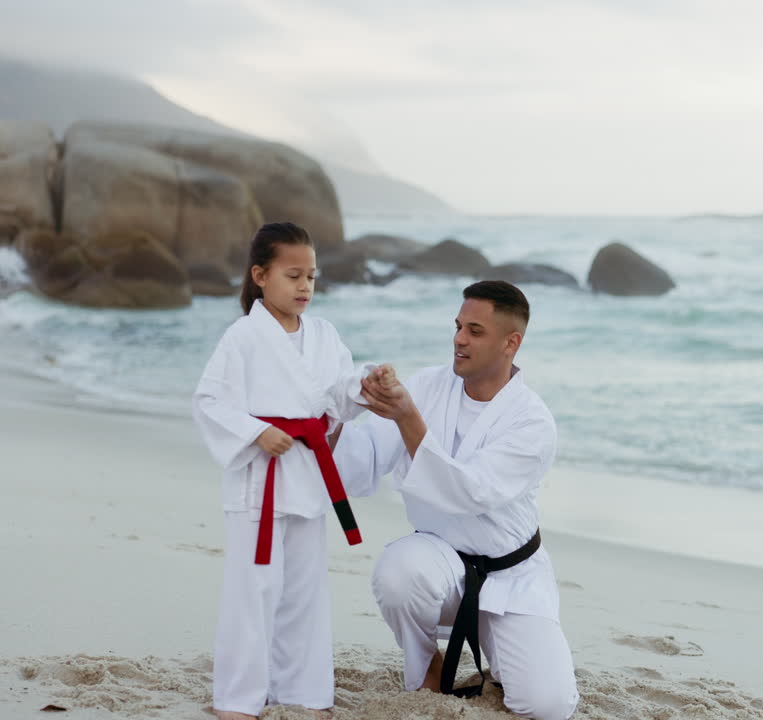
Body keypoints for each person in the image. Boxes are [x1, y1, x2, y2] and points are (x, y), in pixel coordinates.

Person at [333, 280, 579, 720]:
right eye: (458, 326)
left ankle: (501, 650)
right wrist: (338, 411)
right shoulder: (428, 386)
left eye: (475, 331)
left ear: (511, 343)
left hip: (512, 577)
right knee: (398, 571)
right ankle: (427, 665)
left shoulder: (532, 423)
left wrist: (407, 416)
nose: (459, 339)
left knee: (548, 706)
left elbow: (469, 492)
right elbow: (365, 457)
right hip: (439, 565)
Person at [193, 222, 374, 720]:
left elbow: (338, 393)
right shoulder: (244, 336)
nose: (304, 287)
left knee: (305, 590)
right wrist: (255, 432)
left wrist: (367, 383)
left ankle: (303, 692)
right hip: (261, 479)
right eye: (293, 275)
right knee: (253, 590)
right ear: (260, 275)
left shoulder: (323, 334)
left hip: (308, 476)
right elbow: (209, 401)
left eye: (311, 277)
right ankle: (238, 699)